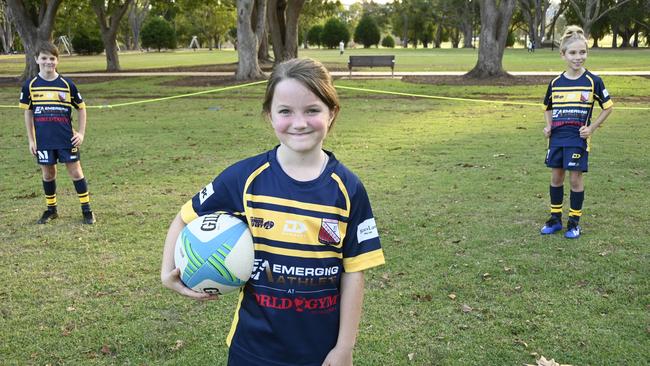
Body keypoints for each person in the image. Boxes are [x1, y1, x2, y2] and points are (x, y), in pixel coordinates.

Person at [161, 58, 385, 365]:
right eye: (285, 111)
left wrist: (345, 346)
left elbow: (354, 270)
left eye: (312, 109)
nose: (299, 122)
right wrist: (166, 271)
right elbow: (185, 216)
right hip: (252, 348)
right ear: (269, 115)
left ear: (332, 113)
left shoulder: (348, 189)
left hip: (320, 352)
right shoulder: (245, 177)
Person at [540, 25, 613, 239]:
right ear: (563, 54)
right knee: (556, 176)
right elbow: (548, 107)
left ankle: (574, 222)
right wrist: (548, 126)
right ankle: (555, 219)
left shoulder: (593, 81)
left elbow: (608, 107)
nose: (578, 57)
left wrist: (591, 128)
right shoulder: (555, 83)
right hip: (557, 139)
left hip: (577, 139)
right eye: (573, 52)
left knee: (575, 179)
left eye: (583, 52)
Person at [19, 42, 95, 225]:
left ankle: (87, 210)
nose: (48, 62)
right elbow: (28, 113)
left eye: (52, 58)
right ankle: (51, 210)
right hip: (44, 141)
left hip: (66, 139)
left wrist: (82, 133)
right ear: (36, 59)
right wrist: (31, 140)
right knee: (48, 174)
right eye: (44, 58)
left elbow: (82, 108)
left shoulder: (67, 84)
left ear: (57, 61)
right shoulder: (30, 86)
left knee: (76, 172)